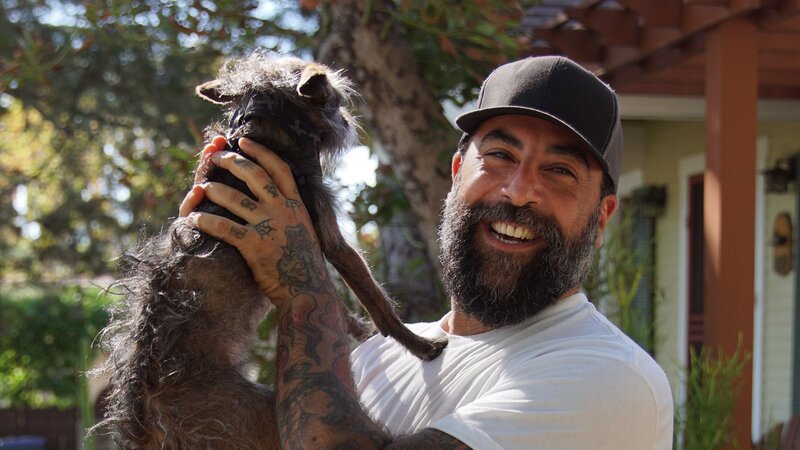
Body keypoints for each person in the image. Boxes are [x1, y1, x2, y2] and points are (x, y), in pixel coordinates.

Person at [179, 55, 674, 449]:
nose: (519, 192)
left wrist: (304, 293)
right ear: (458, 172)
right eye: (500, 156)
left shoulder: (609, 380)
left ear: (602, 217)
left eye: (560, 172)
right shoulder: (374, 358)